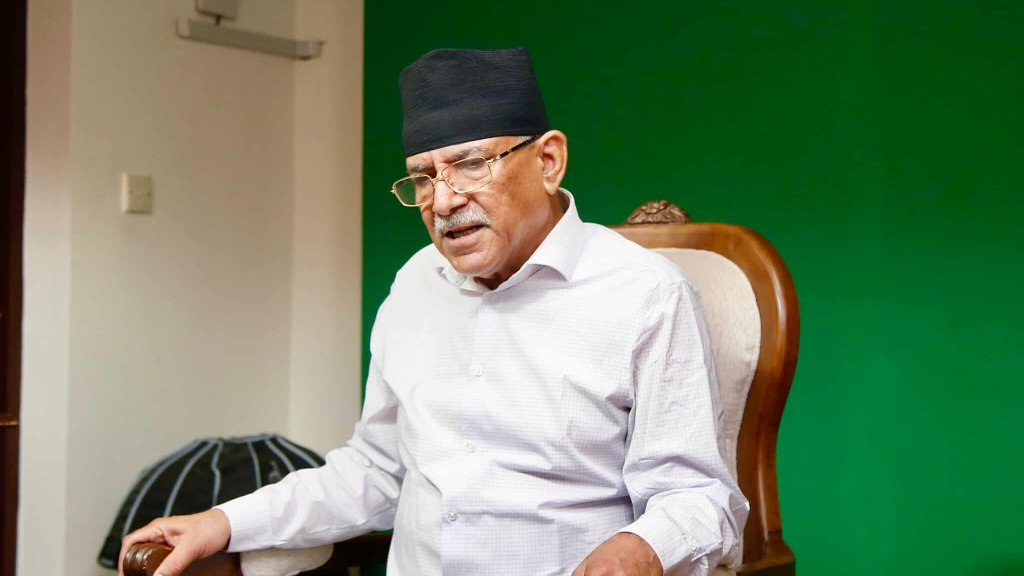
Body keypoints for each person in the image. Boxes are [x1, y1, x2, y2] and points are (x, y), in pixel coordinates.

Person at [120, 47, 747, 576]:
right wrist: (221, 522)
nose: (443, 202)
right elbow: (375, 471)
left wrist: (640, 547)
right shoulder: (415, 284)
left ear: (548, 161)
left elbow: (697, 497)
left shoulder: (645, 294)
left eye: (471, 165)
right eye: (423, 177)